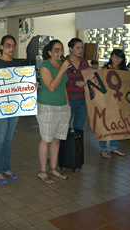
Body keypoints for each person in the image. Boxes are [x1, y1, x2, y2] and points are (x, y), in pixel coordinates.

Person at [0, 35, 22, 184]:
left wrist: (32, 86)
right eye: (8, 45)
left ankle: (6, 167)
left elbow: (22, 82)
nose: (11, 48)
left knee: (9, 137)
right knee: (0, 137)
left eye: (13, 45)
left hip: (14, 106)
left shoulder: (18, 64)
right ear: (1, 46)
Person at [37, 40, 71, 184]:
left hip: (62, 107)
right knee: (47, 139)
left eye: (61, 49)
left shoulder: (62, 65)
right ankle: (43, 171)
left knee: (56, 140)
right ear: (50, 52)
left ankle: (53, 168)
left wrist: (68, 105)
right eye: (56, 50)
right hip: (47, 106)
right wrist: (62, 70)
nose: (60, 53)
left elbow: (63, 86)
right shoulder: (45, 66)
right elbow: (51, 86)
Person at [100, 49, 127, 158]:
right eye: (115, 57)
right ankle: (103, 149)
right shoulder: (105, 69)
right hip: (106, 101)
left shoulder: (124, 71)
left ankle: (113, 148)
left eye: (120, 57)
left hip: (118, 101)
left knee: (116, 124)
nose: (117, 59)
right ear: (111, 57)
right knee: (104, 124)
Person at [65, 38, 90, 130]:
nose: (80, 50)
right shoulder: (64, 63)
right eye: (78, 48)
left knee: (79, 125)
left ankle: (76, 144)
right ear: (71, 49)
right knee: (65, 124)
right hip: (69, 98)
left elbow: (88, 77)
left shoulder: (84, 62)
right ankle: (64, 144)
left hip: (83, 98)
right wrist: (75, 83)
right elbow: (61, 80)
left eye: (81, 48)